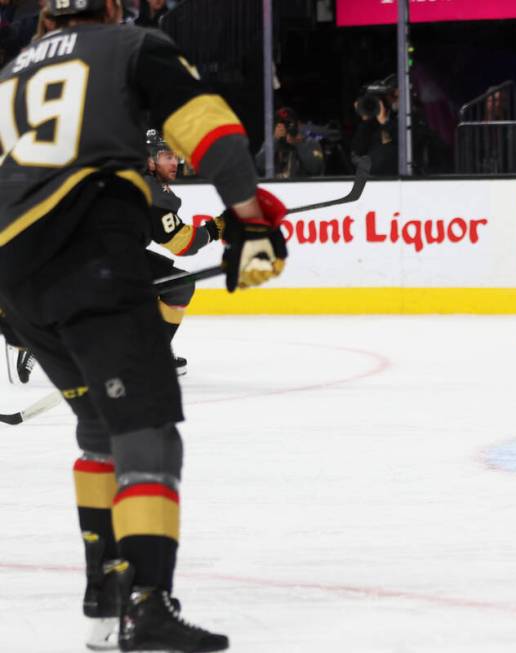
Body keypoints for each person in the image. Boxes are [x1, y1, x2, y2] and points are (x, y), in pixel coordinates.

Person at [0, 2, 288, 652]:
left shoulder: (12, 71)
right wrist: (251, 218)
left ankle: (103, 593)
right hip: (90, 249)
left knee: (99, 425)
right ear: (110, 8)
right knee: (147, 429)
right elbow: (210, 130)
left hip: (14, 270)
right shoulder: (131, 46)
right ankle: (147, 602)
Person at [143, 130, 225, 375]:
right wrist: (220, 226)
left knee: (168, 282)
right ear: (149, 161)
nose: (175, 162)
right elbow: (184, 244)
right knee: (178, 286)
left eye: (175, 156)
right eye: (166, 156)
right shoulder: (152, 193)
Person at [254, 106, 325, 179]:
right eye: (281, 124)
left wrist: (298, 144)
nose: (286, 127)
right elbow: (259, 166)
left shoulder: (310, 143)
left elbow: (316, 169)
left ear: (298, 124)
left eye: (289, 123)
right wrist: (275, 140)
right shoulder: (271, 144)